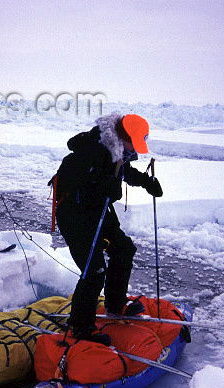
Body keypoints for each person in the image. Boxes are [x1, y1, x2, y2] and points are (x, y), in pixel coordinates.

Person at [53, 113, 163, 345]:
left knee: (123, 249)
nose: (135, 150)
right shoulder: (92, 150)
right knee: (94, 271)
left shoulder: (116, 150)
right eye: (135, 144)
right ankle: (80, 328)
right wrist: (107, 186)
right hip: (76, 214)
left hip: (98, 212)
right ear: (124, 136)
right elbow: (88, 183)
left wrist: (146, 182)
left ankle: (115, 305)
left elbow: (121, 172)